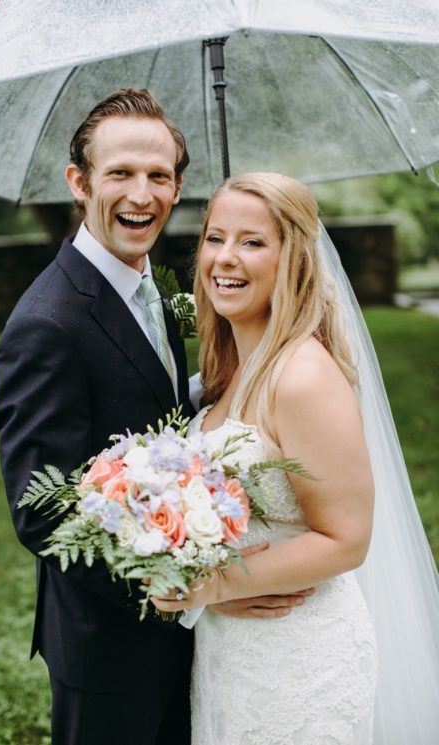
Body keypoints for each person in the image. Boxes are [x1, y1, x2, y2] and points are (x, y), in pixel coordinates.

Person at [152, 171, 439, 743]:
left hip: (299, 661)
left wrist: (210, 585)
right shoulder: (223, 373)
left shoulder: (304, 376)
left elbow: (347, 539)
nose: (225, 258)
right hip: (230, 654)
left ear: (294, 260)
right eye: (215, 237)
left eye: (253, 242)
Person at [0, 88, 199, 745]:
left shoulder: (153, 288)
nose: (142, 193)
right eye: (121, 173)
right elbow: (44, 511)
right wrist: (181, 586)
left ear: (177, 185)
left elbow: (146, 409)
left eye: (158, 175)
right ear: (79, 183)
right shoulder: (46, 323)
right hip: (107, 647)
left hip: (179, 640)